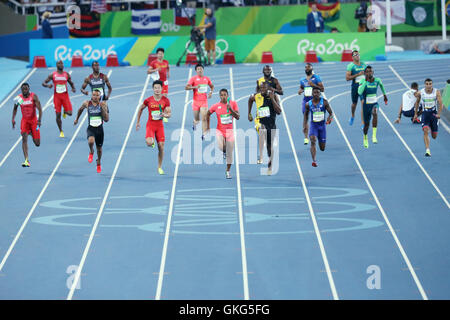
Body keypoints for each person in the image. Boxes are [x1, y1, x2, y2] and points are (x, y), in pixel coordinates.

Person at [136, 80, 172, 175]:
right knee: (149, 142)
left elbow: (169, 114)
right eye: (155, 88)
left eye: (158, 88)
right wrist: (138, 122)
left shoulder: (165, 100)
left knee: (161, 147)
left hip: (159, 126)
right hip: (151, 125)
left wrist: (164, 114)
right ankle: (151, 142)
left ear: (161, 89)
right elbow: (140, 109)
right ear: (153, 89)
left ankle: (159, 167)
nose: (157, 89)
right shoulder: (148, 100)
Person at [248, 82, 282, 174]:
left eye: (264, 87)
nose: (262, 89)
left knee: (269, 147)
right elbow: (250, 99)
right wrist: (249, 113)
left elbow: (279, 112)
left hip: (271, 124)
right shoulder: (256, 96)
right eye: (261, 87)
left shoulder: (274, 96)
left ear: (268, 88)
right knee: (262, 129)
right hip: (260, 122)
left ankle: (270, 164)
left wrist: (272, 99)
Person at [205, 88, 240, 179]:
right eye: (221, 95)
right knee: (221, 147)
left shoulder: (233, 104)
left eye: (225, 95)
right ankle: (224, 151)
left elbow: (238, 117)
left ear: (227, 96)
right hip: (220, 131)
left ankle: (228, 171)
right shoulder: (216, 106)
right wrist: (208, 127)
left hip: (230, 132)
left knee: (230, 153)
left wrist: (231, 110)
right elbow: (207, 114)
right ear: (219, 96)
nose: (223, 97)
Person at [73, 89, 109, 173]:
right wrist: (77, 119)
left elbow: (106, 119)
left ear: (100, 96)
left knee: (99, 149)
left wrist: (103, 109)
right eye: (94, 95)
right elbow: (80, 110)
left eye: (97, 95)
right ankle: (91, 151)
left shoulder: (103, 104)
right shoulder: (87, 103)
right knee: (91, 141)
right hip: (91, 128)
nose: (95, 97)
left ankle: (98, 161)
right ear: (91, 96)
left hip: (99, 129)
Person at [12, 83, 43, 168]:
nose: (24, 90)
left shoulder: (33, 97)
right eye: (23, 89)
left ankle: (31, 133)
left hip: (33, 121)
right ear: (21, 90)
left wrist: (39, 120)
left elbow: (40, 109)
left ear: (29, 89)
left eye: (26, 89)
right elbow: (15, 108)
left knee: (37, 143)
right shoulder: (20, 99)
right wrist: (13, 119)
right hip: (25, 121)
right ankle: (26, 160)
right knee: (24, 139)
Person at [42, 60, 76, 138]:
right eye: (59, 63)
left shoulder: (66, 74)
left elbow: (71, 82)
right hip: (57, 98)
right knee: (58, 115)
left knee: (70, 113)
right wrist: (48, 86)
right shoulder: (53, 75)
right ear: (57, 65)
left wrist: (73, 88)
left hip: (65, 97)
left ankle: (65, 111)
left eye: (62, 63)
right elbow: (43, 83)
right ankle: (61, 131)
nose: (61, 65)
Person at [357, 66, 388, 148]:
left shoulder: (377, 80)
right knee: (366, 125)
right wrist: (365, 82)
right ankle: (365, 137)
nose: (369, 73)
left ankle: (374, 136)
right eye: (367, 72)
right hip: (366, 105)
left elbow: (382, 86)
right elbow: (359, 92)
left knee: (375, 113)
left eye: (370, 71)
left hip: (374, 103)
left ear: (373, 72)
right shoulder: (362, 81)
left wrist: (384, 95)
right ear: (364, 73)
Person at [303, 87, 333, 167]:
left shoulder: (325, 102)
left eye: (317, 92)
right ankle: (314, 161)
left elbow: (331, 113)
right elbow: (305, 116)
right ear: (312, 94)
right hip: (314, 126)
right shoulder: (308, 104)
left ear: (320, 94)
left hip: (322, 127)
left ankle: (320, 142)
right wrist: (305, 125)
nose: (316, 94)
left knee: (322, 148)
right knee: (312, 140)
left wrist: (329, 118)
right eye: (314, 92)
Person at [413, 78, 443, 157]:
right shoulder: (421, 92)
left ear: (432, 84)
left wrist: (439, 114)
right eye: (427, 84)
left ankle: (434, 130)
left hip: (433, 115)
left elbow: (441, 103)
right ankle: (427, 150)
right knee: (425, 130)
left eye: (430, 84)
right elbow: (417, 102)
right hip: (425, 114)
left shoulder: (436, 92)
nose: (428, 86)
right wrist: (416, 114)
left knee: (434, 136)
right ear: (425, 85)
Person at [185, 64, 214, 139]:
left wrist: (211, 92)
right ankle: (194, 123)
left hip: (204, 101)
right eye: (198, 69)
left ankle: (204, 134)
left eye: (201, 69)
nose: (200, 70)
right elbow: (186, 87)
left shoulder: (206, 79)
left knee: (204, 118)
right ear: (196, 71)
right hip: (195, 102)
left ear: (203, 70)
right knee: (197, 119)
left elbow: (212, 86)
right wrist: (194, 87)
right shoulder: (193, 79)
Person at [298, 63, 324, 145]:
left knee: (316, 119)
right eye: (306, 67)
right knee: (305, 118)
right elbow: (302, 87)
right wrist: (300, 90)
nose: (307, 69)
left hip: (315, 101)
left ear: (312, 68)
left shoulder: (316, 78)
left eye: (308, 67)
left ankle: (318, 133)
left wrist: (314, 85)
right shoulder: (302, 79)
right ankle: (306, 137)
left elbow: (322, 89)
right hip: (305, 101)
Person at [346, 50, 366, 126]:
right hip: (355, 86)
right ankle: (352, 115)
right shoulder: (350, 66)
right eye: (355, 55)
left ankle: (363, 123)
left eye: (358, 54)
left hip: (363, 86)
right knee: (354, 104)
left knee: (363, 102)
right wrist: (358, 74)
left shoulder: (364, 64)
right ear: (352, 57)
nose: (357, 56)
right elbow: (347, 78)